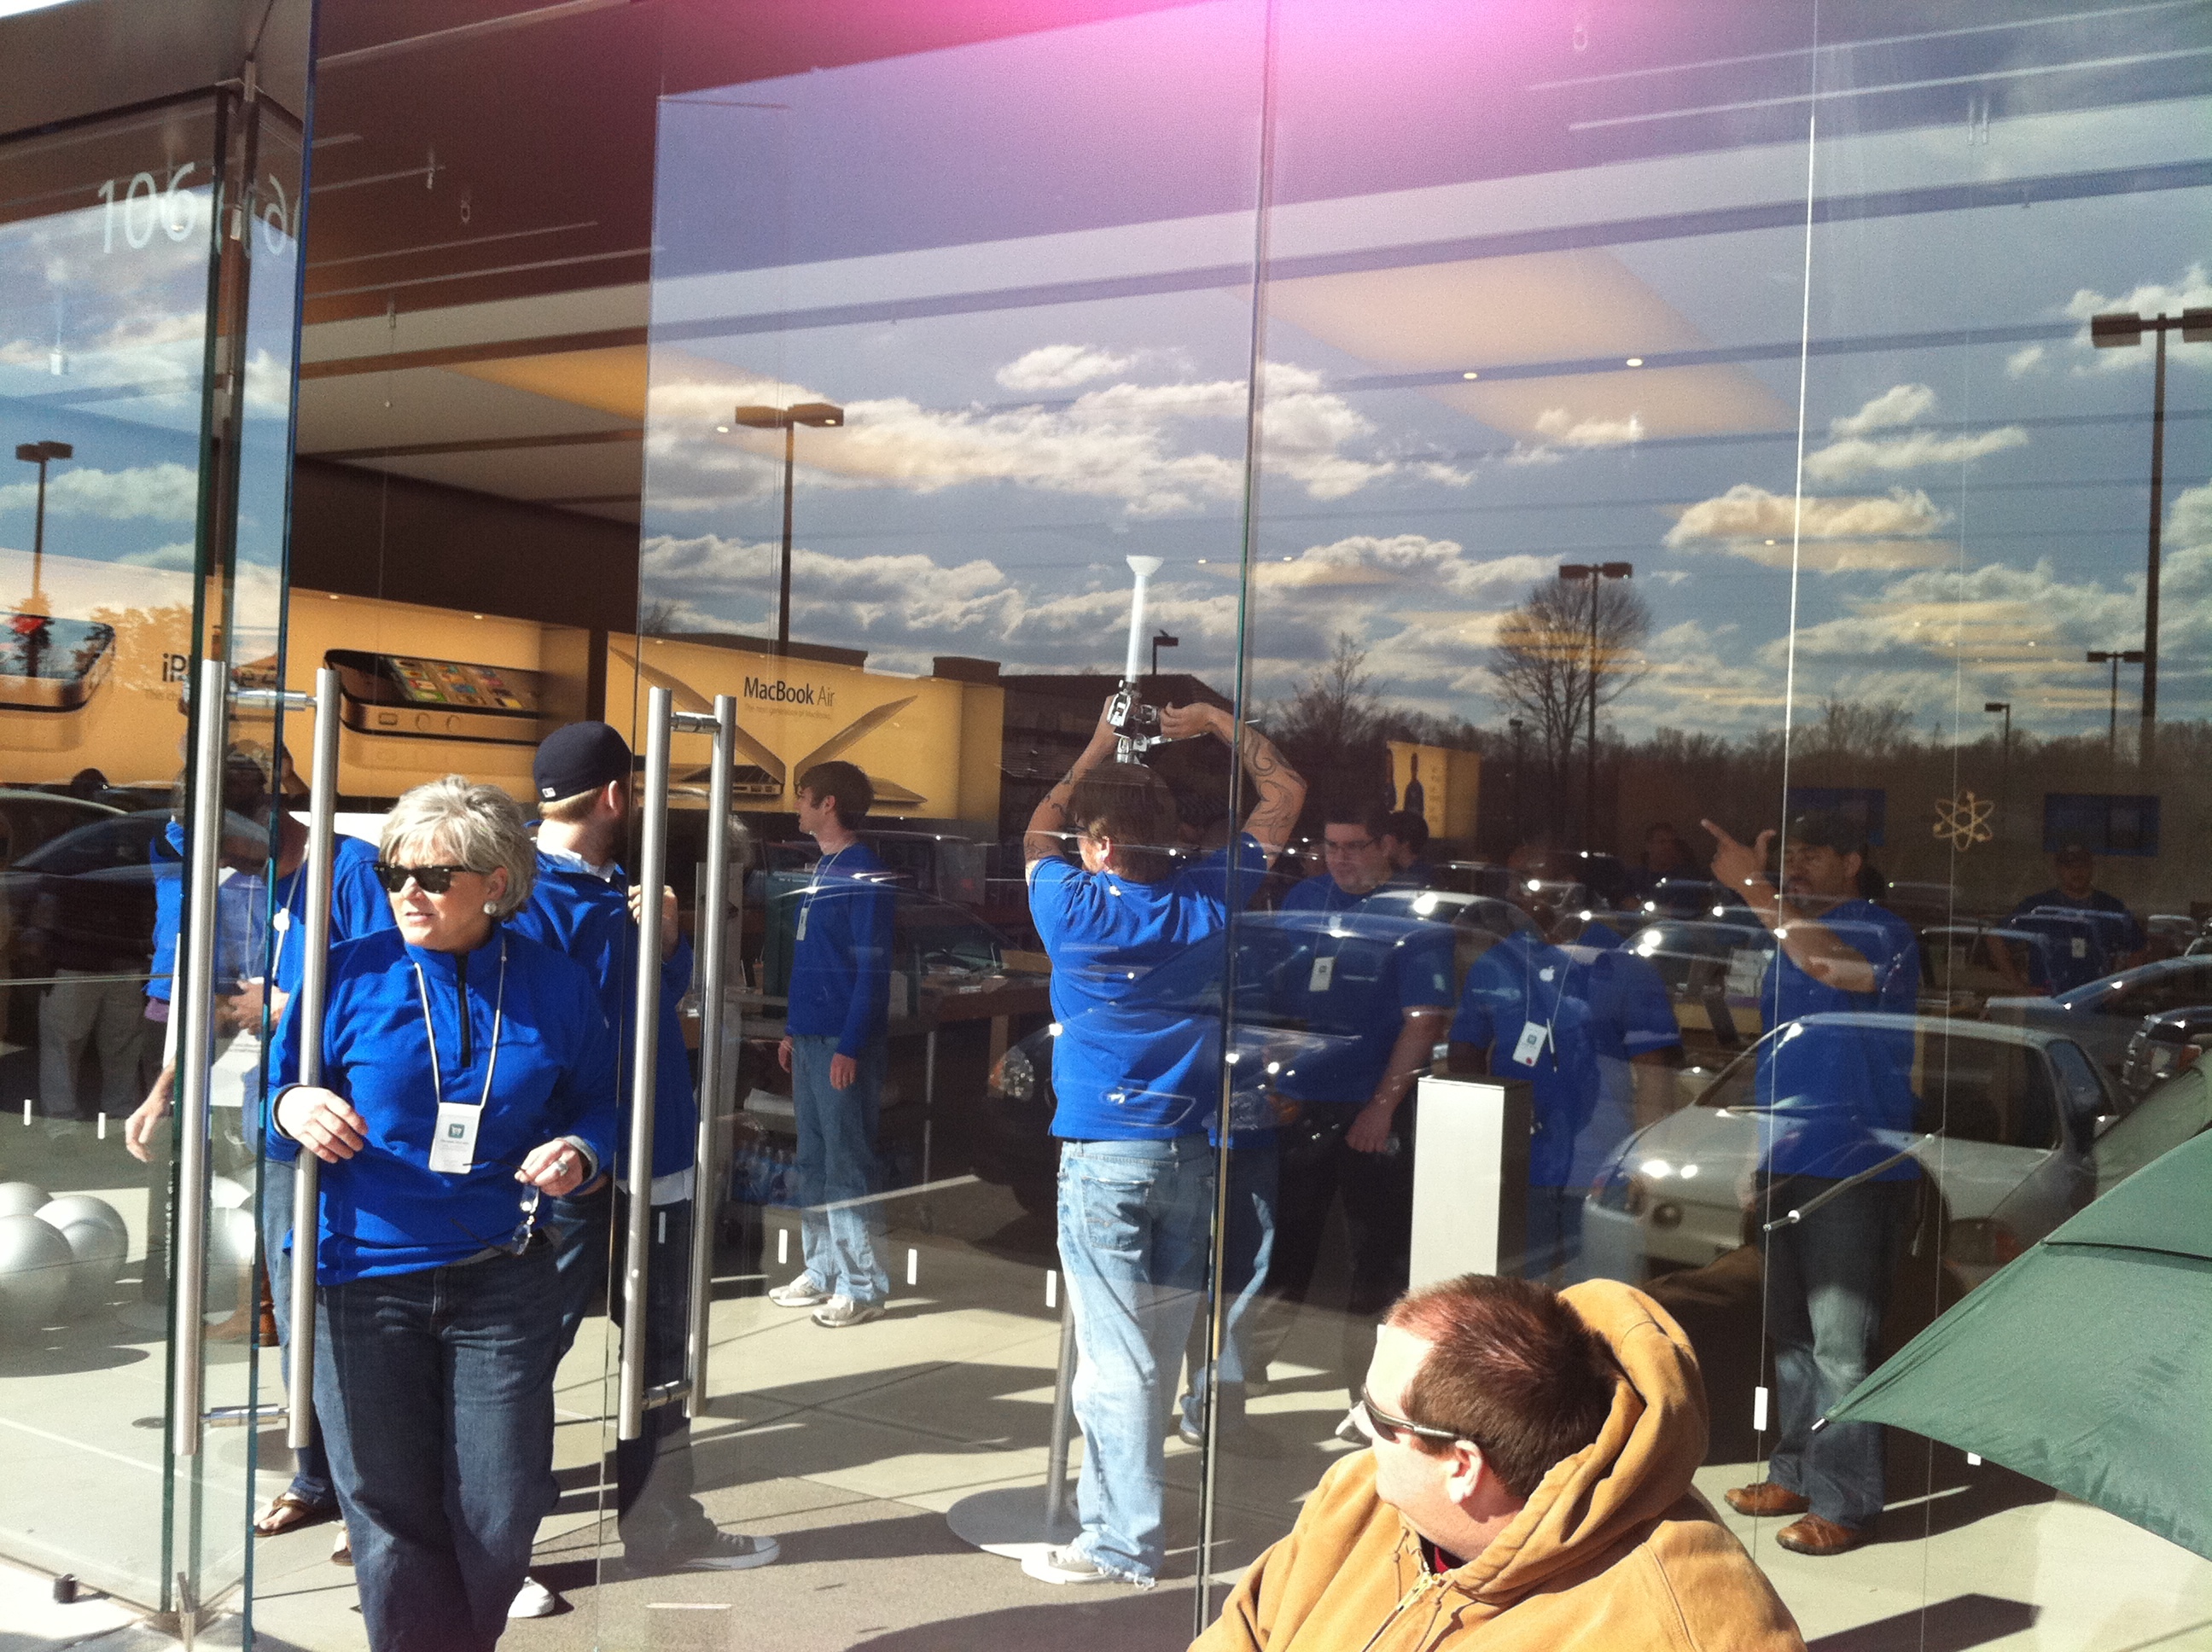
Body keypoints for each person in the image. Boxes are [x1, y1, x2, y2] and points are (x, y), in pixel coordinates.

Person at [265, 777, 620, 1652]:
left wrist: (582, 1151)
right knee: (389, 1509)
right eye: (394, 874)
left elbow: (598, 1102)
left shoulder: (555, 983)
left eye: (431, 876)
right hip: (360, 1278)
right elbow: (265, 1108)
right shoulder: (347, 973)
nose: (407, 893)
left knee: (502, 1505)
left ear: (495, 882)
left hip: (501, 1273)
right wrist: (291, 1107)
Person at [1021, 695, 1304, 1588]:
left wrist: (1101, 741)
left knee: (1117, 1363)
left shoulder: (1071, 906)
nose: (1076, 847)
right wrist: (1215, 721)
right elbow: (1285, 794)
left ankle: (1121, 1541)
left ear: (1102, 846)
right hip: (1190, 1152)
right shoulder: (1208, 900)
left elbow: (1038, 829)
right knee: (1153, 1351)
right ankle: (1126, 1517)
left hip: (1105, 1158)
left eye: (1088, 838)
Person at [511, 721, 777, 1593]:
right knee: (524, 1352)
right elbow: (562, 1029)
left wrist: (665, 946)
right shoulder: (531, 895)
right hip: (572, 1163)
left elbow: (653, 1005)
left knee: (656, 1351)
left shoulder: (602, 889)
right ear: (618, 797)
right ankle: (497, 1548)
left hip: (633, 1153)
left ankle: (660, 1526)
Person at [1191, 1274, 1805, 1651]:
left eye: (1377, 1416)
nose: (1356, 1430)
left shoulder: (1689, 1628)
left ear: (1462, 1466)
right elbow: (1243, 1633)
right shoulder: (1356, 1496)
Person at [125, 749, 396, 1553]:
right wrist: (166, 1087)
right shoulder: (255, 885)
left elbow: (393, 992)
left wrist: (281, 1004)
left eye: (222, 842)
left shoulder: (351, 873)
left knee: (348, 1318)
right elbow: (220, 997)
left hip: (348, 1136)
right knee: (299, 1307)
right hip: (280, 1125)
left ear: (261, 818)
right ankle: (316, 1477)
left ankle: (372, 1496)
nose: (220, 861)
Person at [1704, 811, 1920, 1557]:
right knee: (1791, 1337)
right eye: (1788, 854)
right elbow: (1775, 1059)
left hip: (1853, 1165)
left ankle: (1846, 1504)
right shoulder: (1785, 938)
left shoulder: (1881, 931)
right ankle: (1795, 1473)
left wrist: (1755, 888)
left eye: (1813, 854)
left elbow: (1836, 969)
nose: (1796, 866)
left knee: (1841, 1348)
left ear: (1853, 861)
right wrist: (1754, 1156)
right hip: (1786, 1158)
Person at [1258, 799, 1454, 1395]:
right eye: (1331, 846)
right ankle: (1243, 1375)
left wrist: (1382, 1107)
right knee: (1279, 1243)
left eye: (1355, 846)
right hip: (1297, 1102)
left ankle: (1367, 1394)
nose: (1340, 859)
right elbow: (1269, 995)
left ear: (1385, 846)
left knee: (1376, 1256)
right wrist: (1268, 1079)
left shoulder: (1415, 913)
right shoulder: (1304, 898)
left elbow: (1424, 1020)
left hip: (1373, 1106)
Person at [770, 759, 897, 1328]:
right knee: (815, 1159)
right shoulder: (823, 867)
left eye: (803, 796)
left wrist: (850, 1044)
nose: (796, 806)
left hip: (842, 1043)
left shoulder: (863, 872)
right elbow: (814, 961)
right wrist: (794, 1029)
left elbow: (872, 969)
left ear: (829, 804)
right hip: (812, 1038)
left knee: (846, 1161)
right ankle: (822, 1271)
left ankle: (862, 1285)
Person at [2011, 842, 2147, 969]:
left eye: (2083, 866)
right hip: (2049, 985)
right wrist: (2017, 983)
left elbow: (2139, 949)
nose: (2077, 871)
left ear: (2092, 867)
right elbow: (2000, 939)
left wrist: (2120, 984)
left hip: (2097, 985)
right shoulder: (2039, 907)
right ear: (2058, 869)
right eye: (2069, 866)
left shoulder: (2110, 907)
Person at [1383, 809, 1432, 889]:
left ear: (1405, 842)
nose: (1383, 843)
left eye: (1388, 838)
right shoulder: (1427, 873)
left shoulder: (1419, 878)